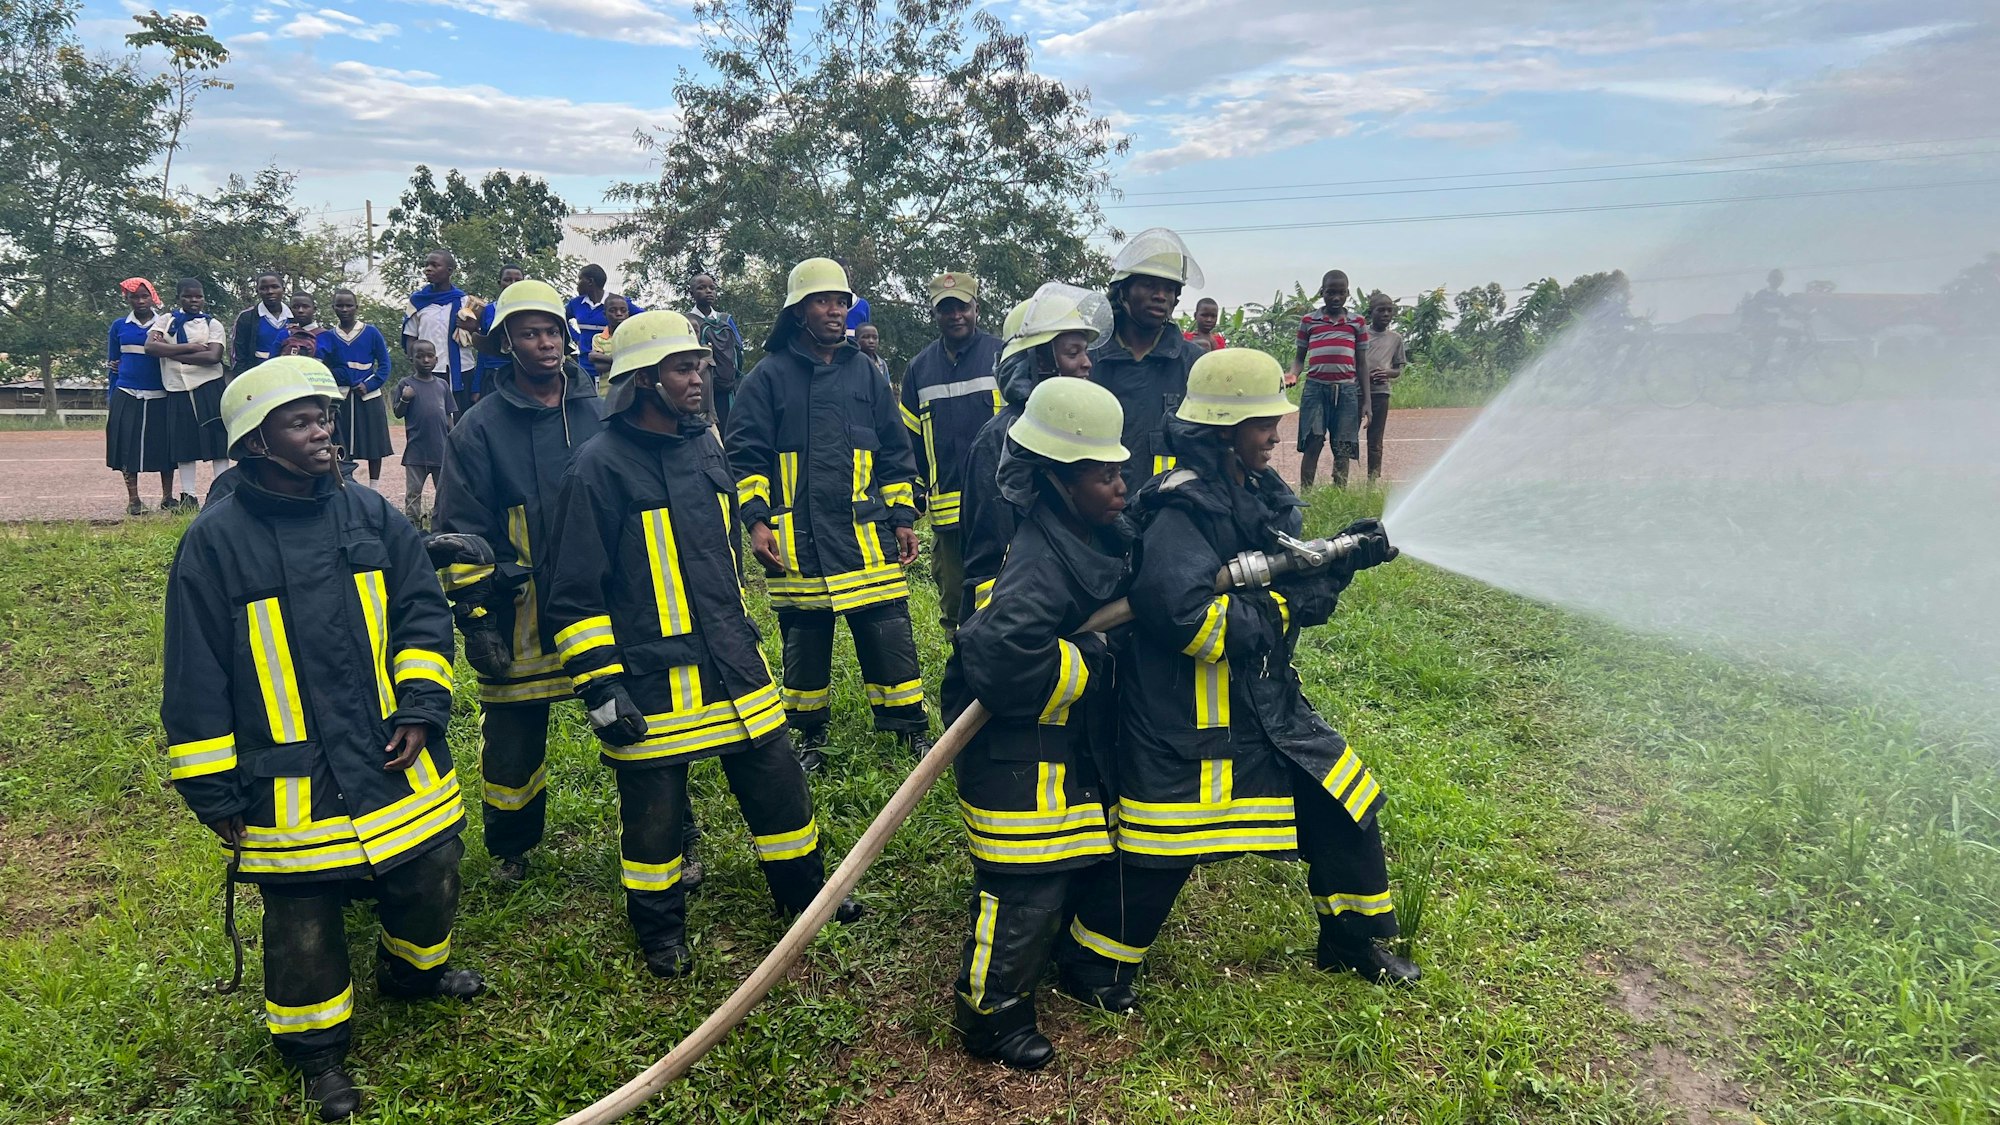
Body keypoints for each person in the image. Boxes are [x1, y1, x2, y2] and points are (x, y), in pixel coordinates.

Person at [160, 355, 482, 1122]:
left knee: (431, 866)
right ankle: (316, 1051)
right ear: (256, 442)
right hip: (288, 776)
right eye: (301, 422)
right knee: (302, 917)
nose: (324, 433)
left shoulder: (370, 513)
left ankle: (411, 972)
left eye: (325, 418)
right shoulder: (213, 543)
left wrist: (420, 703)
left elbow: (420, 611)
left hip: (390, 752)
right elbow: (195, 675)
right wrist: (212, 787)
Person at [1056, 348, 1416, 1016]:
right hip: (1182, 719)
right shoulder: (1180, 512)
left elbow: (1287, 575)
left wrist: (1339, 561)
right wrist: (1283, 606)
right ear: (1223, 431)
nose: (1275, 433)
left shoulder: (1259, 496)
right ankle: (1090, 962)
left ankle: (1353, 939)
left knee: (1344, 800)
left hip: (1263, 705)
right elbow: (1182, 616)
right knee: (1163, 850)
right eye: (1260, 422)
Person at [542, 310, 863, 977]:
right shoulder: (596, 469)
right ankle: (660, 931)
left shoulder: (703, 446)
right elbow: (574, 595)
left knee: (779, 786)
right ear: (641, 380)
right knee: (654, 817)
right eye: (683, 368)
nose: (699, 377)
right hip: (653, 683)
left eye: (700, 366)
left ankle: (805, 898)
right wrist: (601, 689)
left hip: (734, 662)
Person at [945, 377, 1130, 1069]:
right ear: (1056, 480)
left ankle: (1036, 970)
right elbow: (997, 660)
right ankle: (989, 1014)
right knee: (1022, 883)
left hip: (1047, 745)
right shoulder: (1035, 561)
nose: (1121, 485)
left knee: (1065, 864)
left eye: (1121, 469)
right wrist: (1085, 656)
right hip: (1010, 751)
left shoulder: (1075, 531)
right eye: (1105, 474)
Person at [433, 279, 606, 885]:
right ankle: (512, 848)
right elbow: (458, 528)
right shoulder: (478, 428)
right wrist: (476, 621)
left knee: (634, 720)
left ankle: (673, 830)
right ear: (506, 341)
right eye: (530, 332)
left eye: (553, 330)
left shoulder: (598, 411)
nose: (546, 342)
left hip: (604, 604)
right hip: (519, 610)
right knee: (513, 737)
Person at [725, 257, 928, 771]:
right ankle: (809, 736)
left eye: (841, 301)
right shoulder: (767, 377)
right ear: (798, 311)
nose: (835, 310)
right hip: (798, 540)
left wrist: (903, 517)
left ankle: (907, 727)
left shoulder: (866, 370)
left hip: (865, 534)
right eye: (823, 300)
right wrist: (756, 521)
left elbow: (894, 452)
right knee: (805, 639)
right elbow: (746, 456)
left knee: (889, 632)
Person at [957, 285, 1109, 622]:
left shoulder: (1082, 431)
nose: (1087, 364)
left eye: (1086, 352)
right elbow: (989, 555)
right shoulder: (1002, 438)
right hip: (1024, 617)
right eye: (1073, 353)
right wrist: (999, 627)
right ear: (1037, 360)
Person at [899, 271, 1004, 636]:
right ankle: (962, 683)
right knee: (957, 611)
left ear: (976, 308)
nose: (955, 315)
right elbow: (908, 444)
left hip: (1001, 508)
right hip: (948, 518)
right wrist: (909, 503)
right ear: (935, 314)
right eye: (946, 309)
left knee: (1006, 599)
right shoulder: (919, 369)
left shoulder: (1002, 356)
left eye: (962, 306)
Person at [1091, 227, 1204, 493]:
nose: (1160, 295)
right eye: (1149, 285)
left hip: (1169, 509)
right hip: (1096, 511)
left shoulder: (1194, 364)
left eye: (1169, 288)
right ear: (1123, 291)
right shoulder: (1088, 359)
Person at [148, 277, 229, 509]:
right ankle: (188, 495)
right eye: (188, 296)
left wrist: (170, 352)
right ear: (179, 297)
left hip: (209, 385)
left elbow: (212, 357)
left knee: (217, 441)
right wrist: (191, 348)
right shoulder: (166, 320)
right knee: (184, 442)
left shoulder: (212, 324)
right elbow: (151, 347)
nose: (194, 300)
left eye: (198, 296)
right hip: (177, 387)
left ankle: (221, 492)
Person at [1285, 269, 1369, 489]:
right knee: (1313, 441)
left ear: (1347, 293)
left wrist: (1366, 401)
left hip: (1347, 391)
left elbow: (1362, 363)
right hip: (1315, 389)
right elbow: (1299, 359)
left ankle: (1338, 492)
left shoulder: (1357, 323)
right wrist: (1293, 373)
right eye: (1330, 292)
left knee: (1343, 445)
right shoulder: (1309, 321)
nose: (1335, 298)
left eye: (1340, 293)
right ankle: (1307, 493)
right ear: (1322, 292)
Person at [106, 278, 175, 515]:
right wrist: (112, 394)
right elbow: (113, 362)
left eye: (145, 296)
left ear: (153, 297)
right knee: (127, 446)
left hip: (161, 393)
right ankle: (134, 499)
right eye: (134, 296)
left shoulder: (166, 324)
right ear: (127, 298)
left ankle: (168, 497)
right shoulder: (119, 326)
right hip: (127, 392)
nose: (140, 301)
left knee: (165, 447)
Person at [319, 289, 395, 486]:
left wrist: (370, 385)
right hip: (341, 397)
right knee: (341, 443)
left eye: (349, 305)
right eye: (340, 305)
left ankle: (374, 487)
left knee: (373, 444)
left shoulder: (371, 332)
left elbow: (385, 364)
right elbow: (323, 365)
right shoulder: (329, 336)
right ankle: (346, 483)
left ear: (356, 307)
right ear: (333, 308)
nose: (345, 309)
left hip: (368, 397)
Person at [402, 250, 475, 413]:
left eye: (435, 265)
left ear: (449, 271)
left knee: (460, 417)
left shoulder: (464, 302)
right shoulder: (417, 302)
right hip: (428, 371)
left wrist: (472, 327)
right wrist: (415, 366)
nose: (428, 269)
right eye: (427, 265)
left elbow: (477, 335)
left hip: (461, 370)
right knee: (431, 416)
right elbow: (411, 337)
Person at [395, 342, 453, 527]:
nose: (426, 360)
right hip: (416, 451)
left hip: (441, 449)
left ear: (436, 359)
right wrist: (405, 398)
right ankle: (413, 526)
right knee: (413, 492)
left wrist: (455, 440)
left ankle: (443, 523)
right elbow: (397, 412)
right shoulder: (406, 384)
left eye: (430, 356)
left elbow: (448, 416)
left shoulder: (443, 385)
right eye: (420, 356)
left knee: (445, 491)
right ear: (412, 359)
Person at [567, 264, 643, 383]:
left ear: (590, 281)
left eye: (580, 279)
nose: (578, 283)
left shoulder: (616, 303)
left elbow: (643, 319)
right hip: (585, 364)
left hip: (611, 365)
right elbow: (560, 319)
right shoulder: (575, 304)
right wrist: (577, 338)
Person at [688, 272, 746, 427]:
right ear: (691, 293)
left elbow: (739, 350)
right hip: (702, 389)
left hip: (728, 387)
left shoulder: (725, 319)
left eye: (712, 288)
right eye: (702, 288)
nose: (709, 291)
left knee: (731, 428)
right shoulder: (686, 321)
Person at [1360, 292, 1405, 485]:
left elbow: (1398, 370)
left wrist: (1386, 373)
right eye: (1381, 310)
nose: (1386, 314)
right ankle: (1341, 478)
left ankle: (1372, 481)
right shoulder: (1361, 334)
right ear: (1371, 312)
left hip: (1381, 393)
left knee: (1376, 440)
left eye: (1389, 310)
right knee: (1347, 438)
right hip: (1357, 392)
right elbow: (1355, 362)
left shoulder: (1396, 339)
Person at [470, 265, 528, 410]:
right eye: (507, 280)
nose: (512, 284)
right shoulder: (488, 311)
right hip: (492, 374)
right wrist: (476, 386)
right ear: (499, 283)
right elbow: (482, 349)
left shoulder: (530, 310)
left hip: (520, 375)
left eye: (517, 280)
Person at [232, 271, 291, 376]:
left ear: (283, 289)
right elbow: (239, 356)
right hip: (257, 378)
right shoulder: (247, 318)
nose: (270, 291)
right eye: (264, 288)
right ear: (257, 291)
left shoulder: (294, 317)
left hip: (289, 377)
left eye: (275, 287)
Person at [587, 293, 633, 382]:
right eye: (613, 310)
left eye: (623, 310)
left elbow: (635, 362)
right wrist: (626, 361)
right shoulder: (598, 339)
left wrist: (599, 357)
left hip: (630, 392)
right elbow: (600, 367)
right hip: (606, 393)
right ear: (605, 314)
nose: (619, 314)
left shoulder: (633, 336)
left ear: (628, 313)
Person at [278, 292, 323, 358]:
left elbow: (337, 364)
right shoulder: (284, 334)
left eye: (305, 307)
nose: (300, 310)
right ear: (290, 310)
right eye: (295, 307)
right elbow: (272, 362)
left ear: (314, 309)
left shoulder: (327, 336)